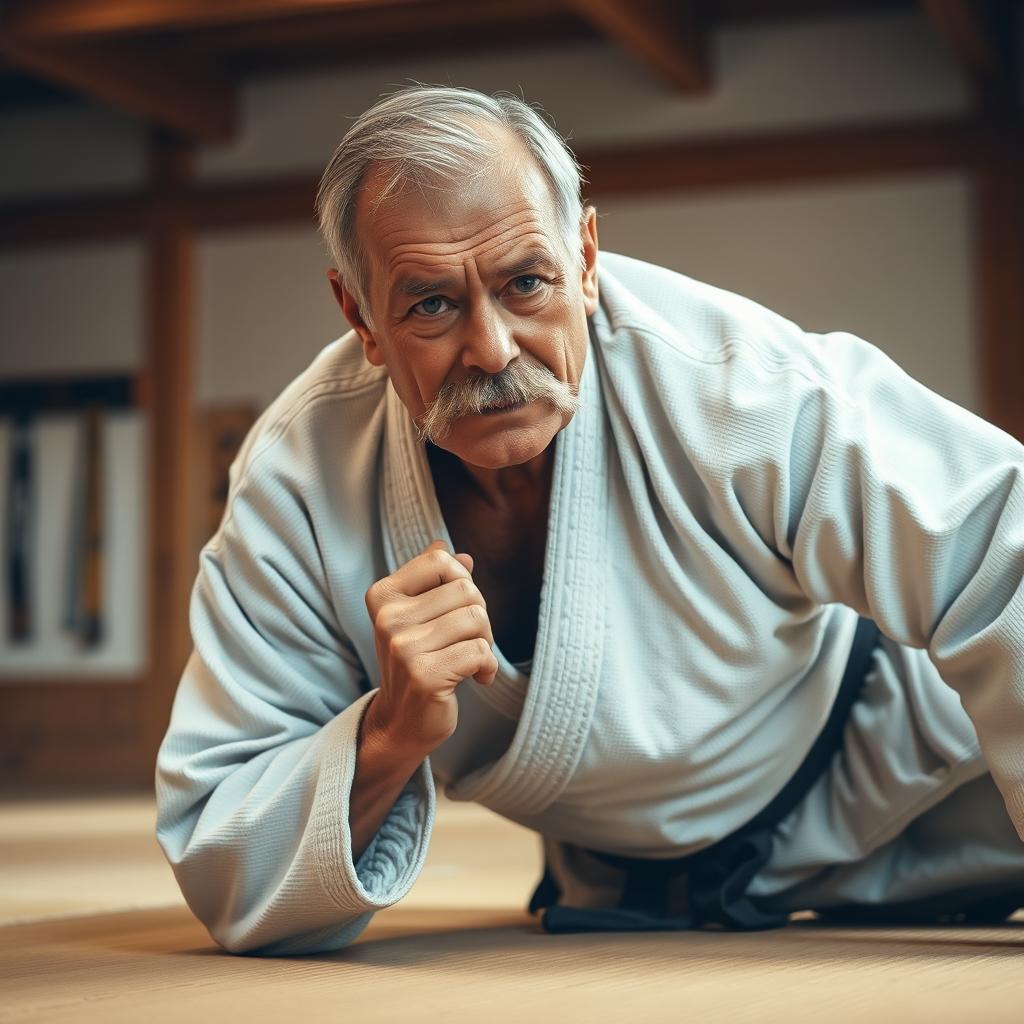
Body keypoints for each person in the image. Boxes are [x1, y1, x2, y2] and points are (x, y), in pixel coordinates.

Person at [155, 84, 1024, 955]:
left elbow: (997, 534)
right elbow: (220, 837)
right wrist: (386, 736)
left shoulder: (728, 381)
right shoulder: (299, 484)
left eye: (526, 284)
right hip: (630, 891)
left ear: (586, 257)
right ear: (360, 316)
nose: (492, 349)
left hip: (915, 780)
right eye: (431, 305)